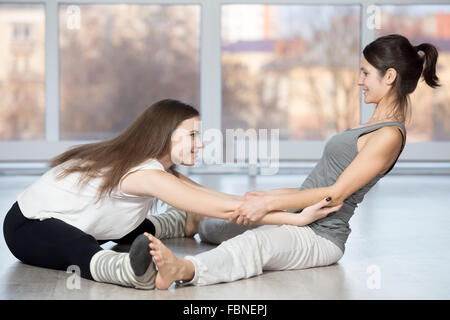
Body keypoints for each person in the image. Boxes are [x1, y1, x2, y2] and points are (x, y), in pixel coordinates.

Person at [144, 34, 440, 290]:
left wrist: (271, 205)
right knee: (228, 221)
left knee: (255, 243)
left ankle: (184, 270)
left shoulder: (389, 135)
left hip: (320, 235)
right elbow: (319, 181)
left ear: (389, 77)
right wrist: (272, 197)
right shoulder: (372, 125)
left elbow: (334, 194)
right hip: (300, 209)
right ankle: (188, 222)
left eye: (365, 73)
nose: (359, 80)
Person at [2, 99, 337, 290]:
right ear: (165, 135)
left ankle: (177, 222)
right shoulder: (145, 174)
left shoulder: (159, 170)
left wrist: (295, 215)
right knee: (75, 246)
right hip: (28, 226)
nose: (201, 143)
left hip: (89, 221)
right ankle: (131, 271)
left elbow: (220, 201)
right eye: (192, 134)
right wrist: (298, 215)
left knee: (135, 225)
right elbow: (226, 209)